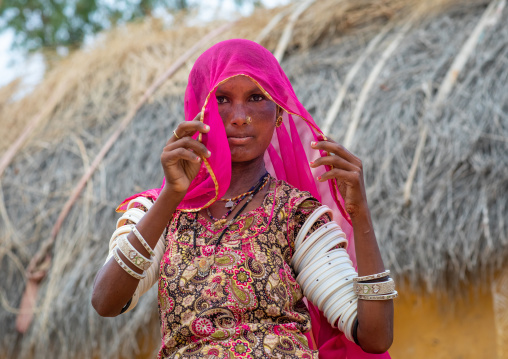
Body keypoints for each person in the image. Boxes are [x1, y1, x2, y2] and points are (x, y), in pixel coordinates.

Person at [92, 39, 394, 358]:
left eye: (255, 98)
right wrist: (173, 195)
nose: (239, 116)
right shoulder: (156, 212)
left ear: (278, 112)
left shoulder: (297, 217)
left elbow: (374, 336)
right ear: (200, 110)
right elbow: (106, 301)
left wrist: (359, 216)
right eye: (222, 99)